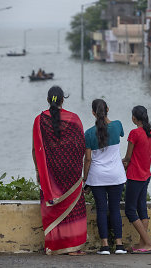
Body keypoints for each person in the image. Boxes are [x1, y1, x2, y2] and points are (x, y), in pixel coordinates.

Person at [32, 86, 87, 255]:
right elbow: (81, 146)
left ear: (48, 100)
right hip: (71, 172)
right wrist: (77, 168)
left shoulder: (39, 120)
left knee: (53, 207)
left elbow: (36, 150)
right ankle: (74, 248)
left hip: (50, 175)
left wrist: (38, 170)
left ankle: (54, 246)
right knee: (74, 207)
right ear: (63, 99)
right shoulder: (74, 119)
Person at [83, 99, 127, 255]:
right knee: (115, 209)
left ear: (93, 113)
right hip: (116, 175)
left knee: (102, 210)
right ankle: (120, 245)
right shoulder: (117, 125)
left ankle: (105, 246)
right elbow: (120, 134)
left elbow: (87, 160)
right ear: (108, 108)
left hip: (97, 177)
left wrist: (85, 180)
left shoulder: (88, 133)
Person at [122, 105, 151, 253]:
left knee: (130, 210)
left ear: (134, 118)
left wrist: (120, 166)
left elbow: (128, 157)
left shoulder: (134, 133)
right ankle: (142, 244)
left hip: (135, 175)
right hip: (146, 174)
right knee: (142, 209)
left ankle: (148, 243)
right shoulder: (150, 133)